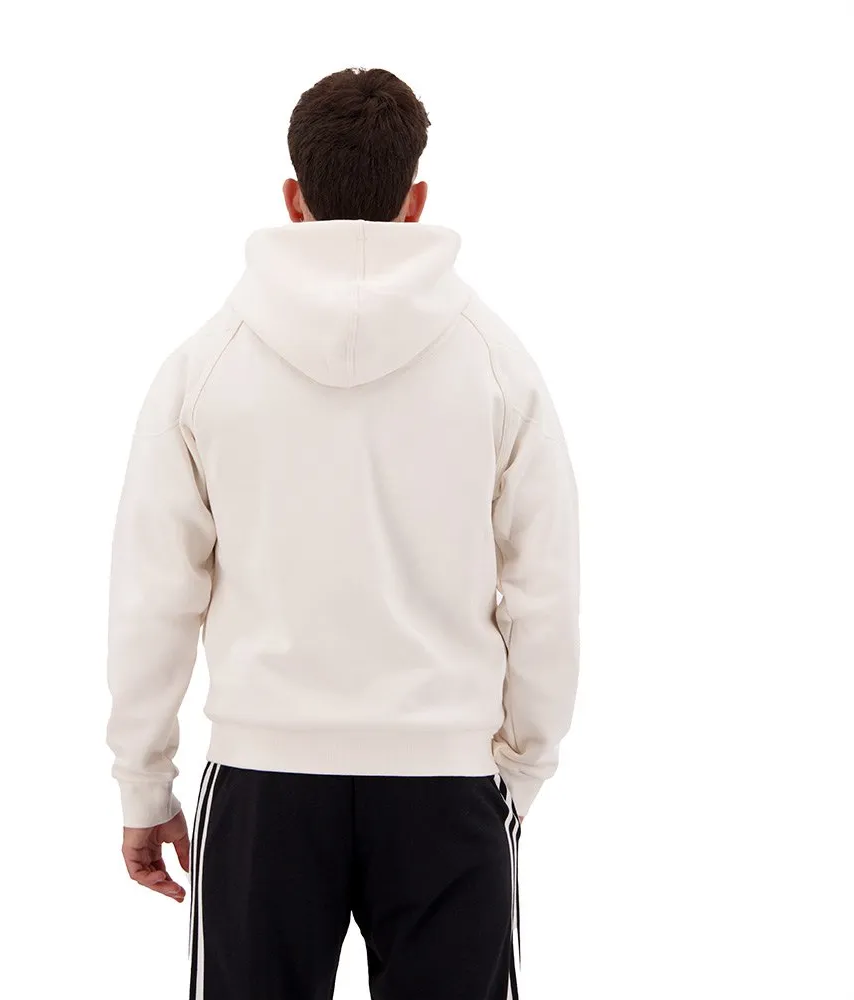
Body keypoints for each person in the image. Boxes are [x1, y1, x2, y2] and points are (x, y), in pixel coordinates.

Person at [106, 66, 580, 1000]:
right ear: (416, 201)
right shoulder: (497, 364)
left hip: (264, 781)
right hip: (446, 782)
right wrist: (521, 770)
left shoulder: (205, 366)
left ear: (294, 198)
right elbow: (547, 589)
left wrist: (143, 783)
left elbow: (153, 594)